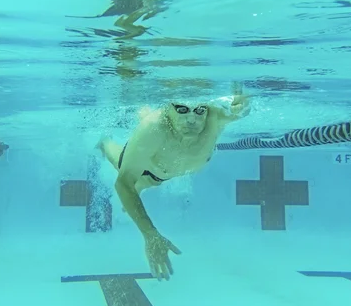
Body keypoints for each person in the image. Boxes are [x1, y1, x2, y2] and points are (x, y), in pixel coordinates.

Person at [96, 83, 251, 281]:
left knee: (136, 194)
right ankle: (103, 142)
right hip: (148, 171)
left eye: (199, 111)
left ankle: (136, 193)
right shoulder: (153, 129)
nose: (192, 119)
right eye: (182, 109)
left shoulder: (213, 117)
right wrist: (150, 234)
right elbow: (123, 183)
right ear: (169, 108)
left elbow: (237, 111)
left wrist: (243, 107)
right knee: (122, 167)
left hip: (165, 172)